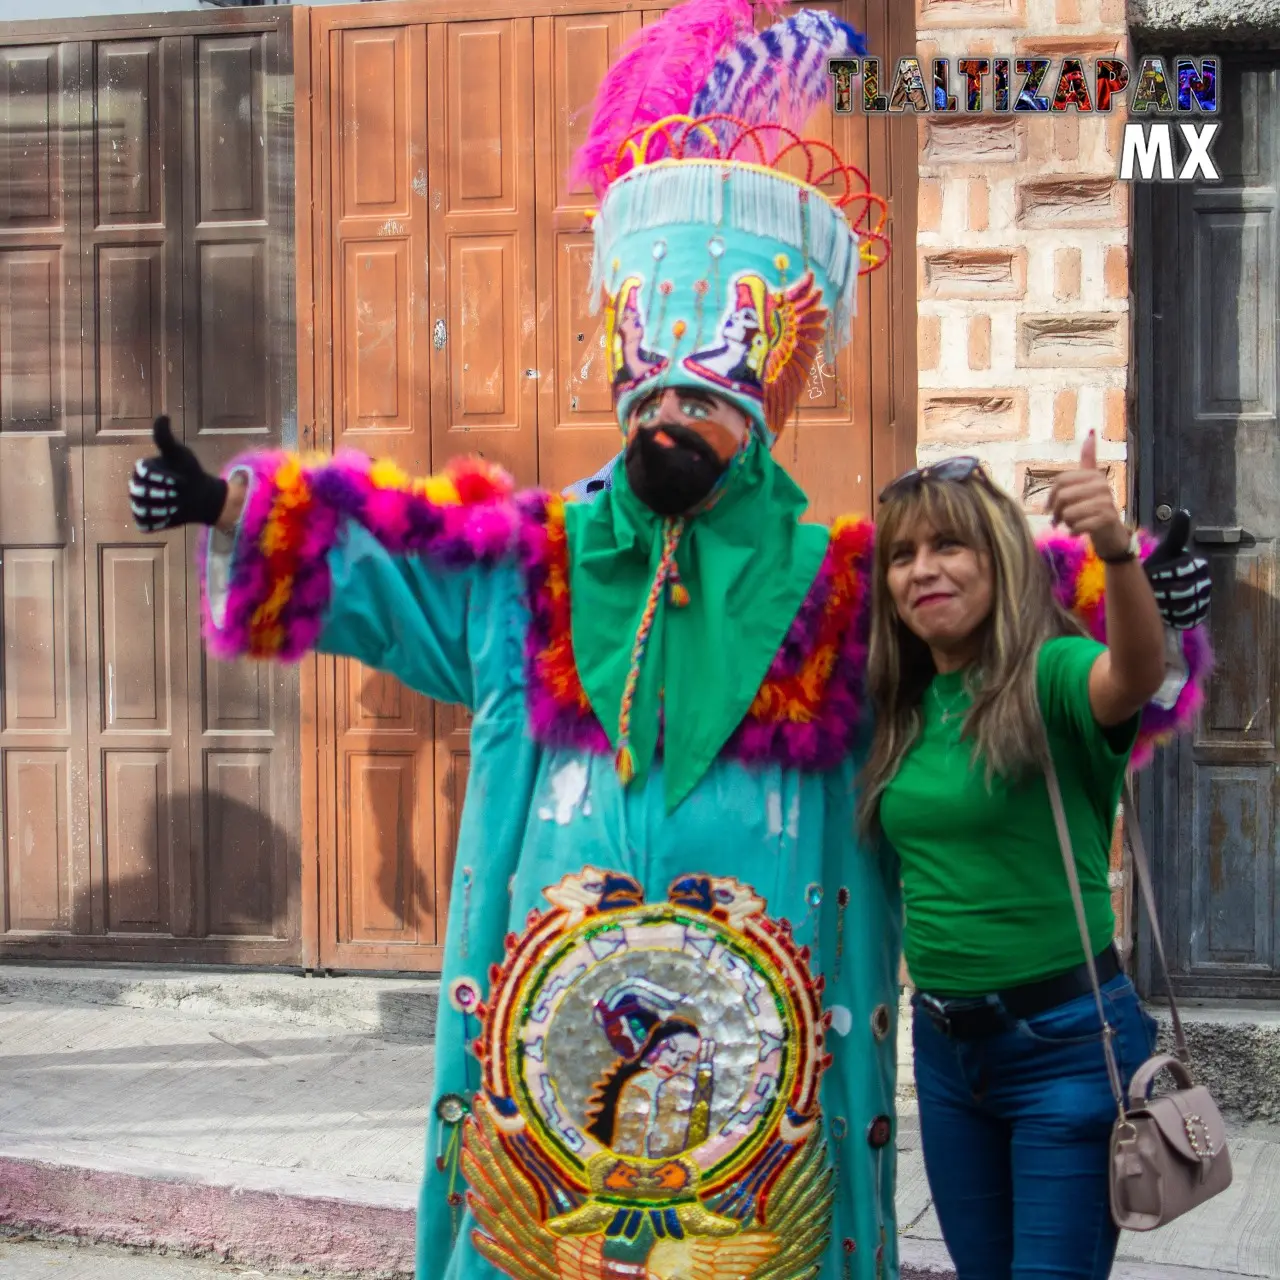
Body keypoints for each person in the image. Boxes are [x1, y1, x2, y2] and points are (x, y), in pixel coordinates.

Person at [125, 5, 1210, 1278]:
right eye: (654, 393)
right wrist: (223, 505)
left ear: (760, 406)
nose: (674, 416)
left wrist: (1144, 587)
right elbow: (383, 567)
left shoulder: (843, 580)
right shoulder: (527, 564)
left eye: (704, 396)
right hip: (548, 1033)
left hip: (772, 1051)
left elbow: (1002, 620)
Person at [861, 443, 1211, 1280]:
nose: (923, 571)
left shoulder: (1048, 674)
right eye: (903, 556)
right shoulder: (898, 709)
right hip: (944, 1053)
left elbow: (1135, 672)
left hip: (1066, 1045)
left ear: (1001, 560)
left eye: (948, 546)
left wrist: (1116, 554)